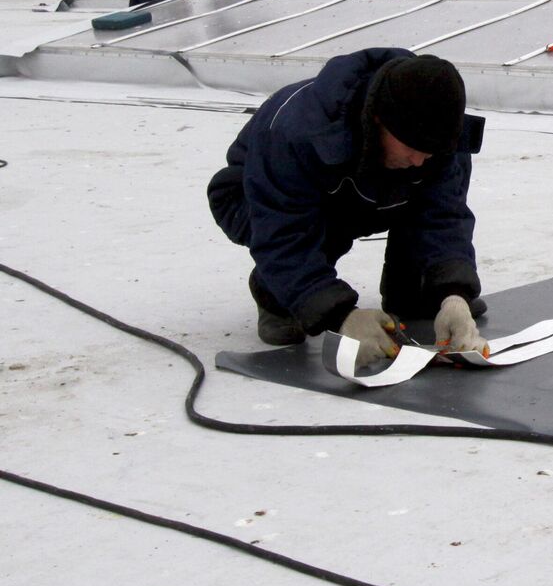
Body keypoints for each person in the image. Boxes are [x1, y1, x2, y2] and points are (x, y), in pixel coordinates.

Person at [207, 48, 487, 367]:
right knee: (322, 228)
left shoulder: (439, 130)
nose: (420, 159)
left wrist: (452, 295)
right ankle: (274, 294)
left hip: (365, 187)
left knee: (422, 277)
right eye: (412, 148)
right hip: (254, 198)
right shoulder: (297, 132)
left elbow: (442, 215)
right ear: (380, 119)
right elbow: (282, 234)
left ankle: (416, 292)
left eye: (431, 152)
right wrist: (341, 316)